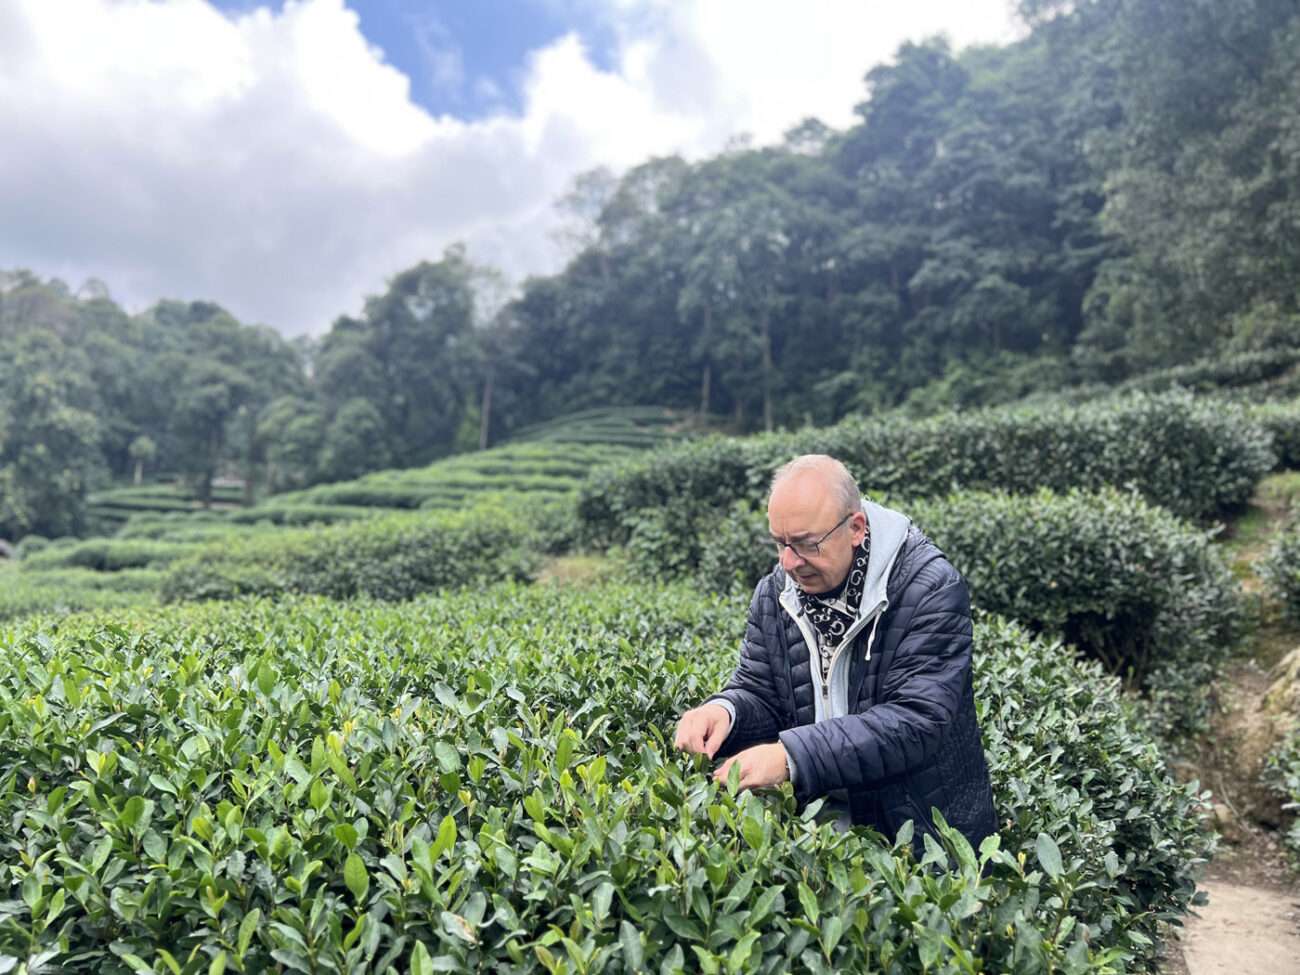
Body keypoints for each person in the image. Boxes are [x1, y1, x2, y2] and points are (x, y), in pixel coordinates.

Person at [673, 454, 996, 852]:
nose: (789, 562)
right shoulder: (777, 593)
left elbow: (916, 721)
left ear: (855, 528)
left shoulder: (928, 589)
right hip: (819, 837)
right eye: (780, 543)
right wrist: (724, 711)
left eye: (807, 545)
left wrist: (793, 757)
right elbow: (761, 690)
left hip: (920, 837)